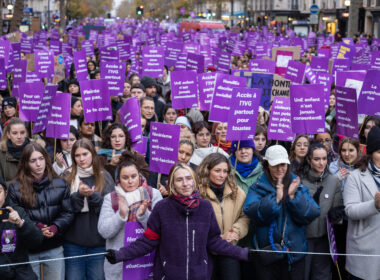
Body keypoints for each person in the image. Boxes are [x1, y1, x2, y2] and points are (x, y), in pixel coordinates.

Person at [105, 163, 255, 280]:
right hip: (168, 275)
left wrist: (243, 253)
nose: (185, 183)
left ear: (194, 180)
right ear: (172, 184)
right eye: (179, 179)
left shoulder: (205, 207)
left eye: (189, 178)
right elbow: (147, 241)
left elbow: (214, 241)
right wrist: (120, 255)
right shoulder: (162, 208)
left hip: (199, 275)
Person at [244, 145, 320, 279]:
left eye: (283, 165)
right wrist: (275, 199)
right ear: (267, 165)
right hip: (268, 255)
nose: (280, 169)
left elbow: (312, 213)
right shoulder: (257, 187)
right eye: (275, 165)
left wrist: (293, 197)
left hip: (294, 255)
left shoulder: (297, 184)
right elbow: (251, 211)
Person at [7, 142, 74, 280]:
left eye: (41, 159)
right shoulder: (15, 188)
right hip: (28, 249)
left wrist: (55, 227)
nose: (38, 164)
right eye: (33, 160)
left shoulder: (60, 183)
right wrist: (36, 227)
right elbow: (15, 215)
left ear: (46, 159)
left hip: (54, 246)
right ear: (26, 163)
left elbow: (68, 212)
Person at [98, 161, 162, 280]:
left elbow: (160, 230)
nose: (130, 181)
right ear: (118, 179)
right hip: (119, 266)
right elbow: (104, 231)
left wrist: (143, 215)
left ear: (139, 175)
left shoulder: (153, 195)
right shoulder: (111, 198)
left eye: (134, 176)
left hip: (147, 263)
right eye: (125, 178)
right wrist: (121, 215)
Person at [63, 138, 115, 280]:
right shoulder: (67, 177)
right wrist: (78, 195)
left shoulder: (104, 176)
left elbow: (110, 209)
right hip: (73, 243)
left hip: (98, 243)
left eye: (85, 154)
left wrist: (93, 196)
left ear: (92, 153)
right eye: (77, 155)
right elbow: (65, 209)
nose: (81, 159)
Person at [197, 153, 250, 280]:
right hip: (205, 251)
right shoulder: (197, 193)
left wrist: (235, 231)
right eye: (217, 171)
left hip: (229, 248)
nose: (222, 175)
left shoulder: (237, 192)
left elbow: (245, 217)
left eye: (225, 171)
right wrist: (219, 237)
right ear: (207, 170)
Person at [299, 143, 342, 280]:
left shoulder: (333, 180)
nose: (321, 163)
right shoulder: (299, 180)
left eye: (324, 159)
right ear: (309, 160)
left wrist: (335, 214)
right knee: (302, 274)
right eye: (317, 159)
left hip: (324, 238)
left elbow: (337, 210)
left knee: (322, 276)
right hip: (303, 238)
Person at [344, 126, 380, 280]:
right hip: (365, 252)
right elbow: (350, 210)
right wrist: (375, 205)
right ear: (371, 154)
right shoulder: (356, 177)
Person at [0, 176, 44, 280]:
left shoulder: (17, 212)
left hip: (20, 274)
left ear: (6, 194)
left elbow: (37, 241)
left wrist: (21, 224)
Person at [0, 118, 30, 184]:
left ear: (26, 133)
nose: (19, 137)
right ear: (8, 135)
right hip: (11, 193)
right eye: (15, 133)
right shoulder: (1, 153)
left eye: (22, 132)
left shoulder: (35, 150)